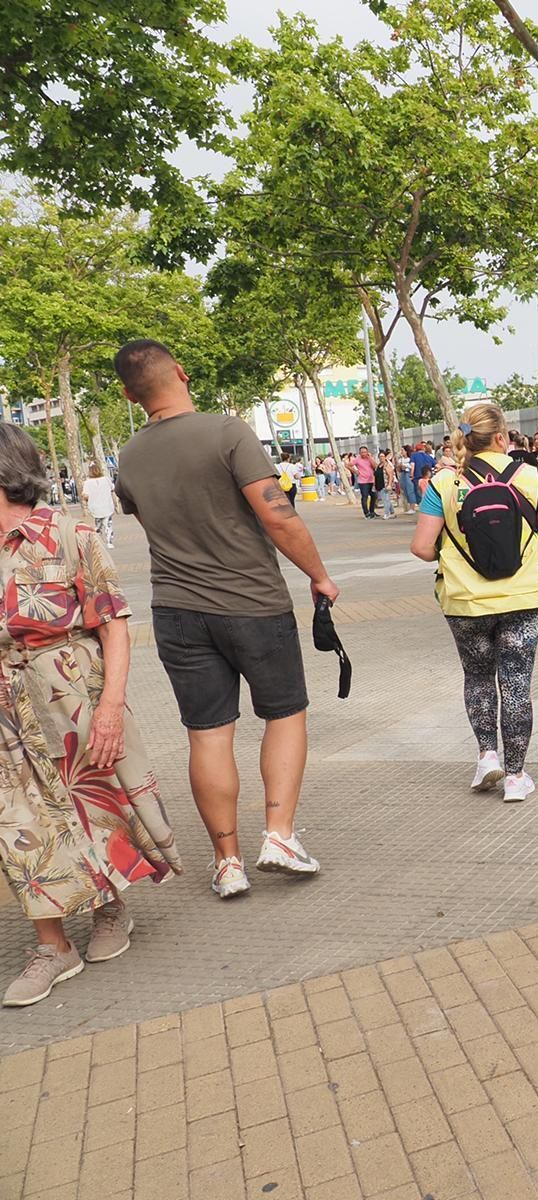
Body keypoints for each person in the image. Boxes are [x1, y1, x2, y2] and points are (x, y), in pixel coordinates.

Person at [112, 339, 336, 899]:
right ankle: (279, 836)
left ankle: (227, 862)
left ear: (128, 393)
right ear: (182, 373)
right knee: (284, 714)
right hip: (253, 603)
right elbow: (278, 517)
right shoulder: (228, 432)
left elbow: (143, 514)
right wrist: (319, 575)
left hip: (177, 612)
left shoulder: (130, 456)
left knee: (207, 734)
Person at [0, 425, 182, 1006]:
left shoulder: (69, 534)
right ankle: (52, 947)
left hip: (70, 690)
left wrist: (109, 707)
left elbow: (114, 621)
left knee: (89, 804)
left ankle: (109, 908)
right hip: (6, 702)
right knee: (17, 823)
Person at [410, 403, 538, 802]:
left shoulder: (444, 484)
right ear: (502, 437)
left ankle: (487, 756)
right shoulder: (534, 479)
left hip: (464, 600)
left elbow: (420, 547)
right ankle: (517, 778)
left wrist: (451, 556)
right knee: (516, 681)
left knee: (478, 676)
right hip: (524, 596)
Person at [83, 459, 117, 548]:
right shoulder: (106, 479)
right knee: (108, 525)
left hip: (95, 507)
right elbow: (112, 489)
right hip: (107, 505)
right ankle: (109, 542)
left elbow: (85, 495)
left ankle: (98, 540)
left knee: (98, 524)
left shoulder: (87, 482)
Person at [352, 446, 378, 519]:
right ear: (359, 453)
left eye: (365, 452)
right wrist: (355, 471)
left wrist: (370, 458)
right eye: (362, 452)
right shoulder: (357, 459)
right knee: (365, 497)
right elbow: (348, 465)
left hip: (371, 480)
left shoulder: (370, 458)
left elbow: (375, 466)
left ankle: (372, 511)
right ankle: (366, 513)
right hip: (362, 481)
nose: (363, 454)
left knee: (374, 496)